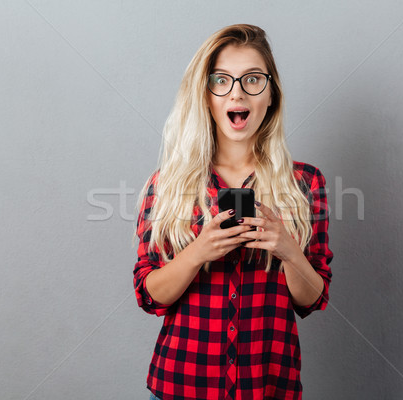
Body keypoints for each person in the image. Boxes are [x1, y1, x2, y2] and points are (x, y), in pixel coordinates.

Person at [132, 24, 334, 400]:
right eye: (221, 80)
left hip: (269, 388)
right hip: (181, 386)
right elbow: (150, 295)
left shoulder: (305, 182)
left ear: (271, 94)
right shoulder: (168, 184)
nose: (237, 92)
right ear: (206, 96)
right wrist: (199, 251)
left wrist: (288, 249)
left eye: (253, 79)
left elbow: (313, 298)